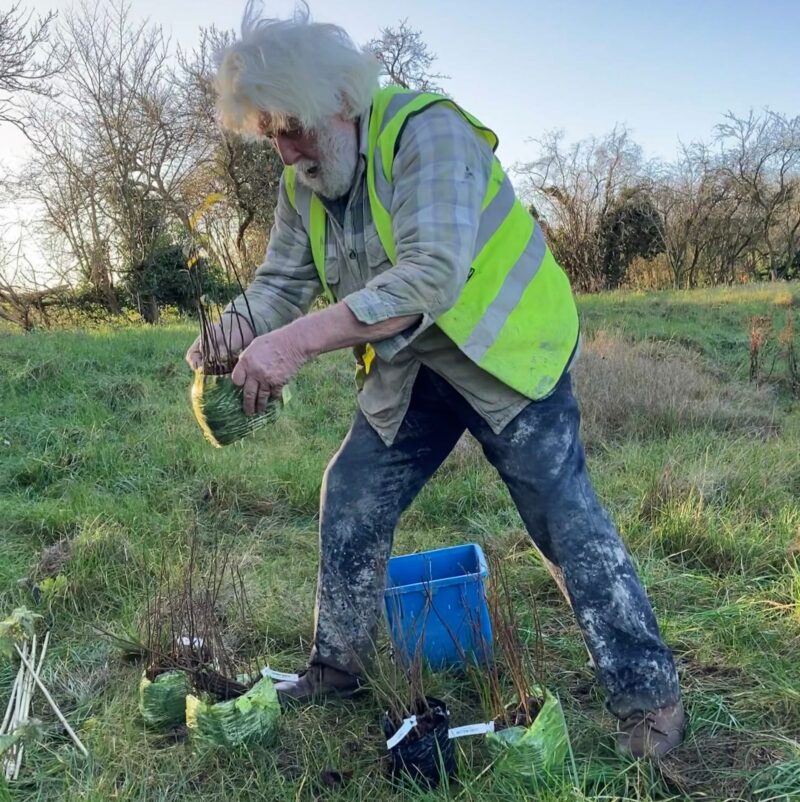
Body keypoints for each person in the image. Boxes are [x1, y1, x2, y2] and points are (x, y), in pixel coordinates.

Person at [185, 1, 685, 759]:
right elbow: (279, 285)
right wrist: (226, 335)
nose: (286, 152)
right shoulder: (303, 186)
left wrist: (292, 346)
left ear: (342, 104)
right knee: (350, 490)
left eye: (293, 128)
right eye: (270, 135)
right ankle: (336, 665)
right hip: (412, 364)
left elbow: (431, 275)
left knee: (562, 517)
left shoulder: (428, 133)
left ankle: (648, 695)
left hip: (507, 353)